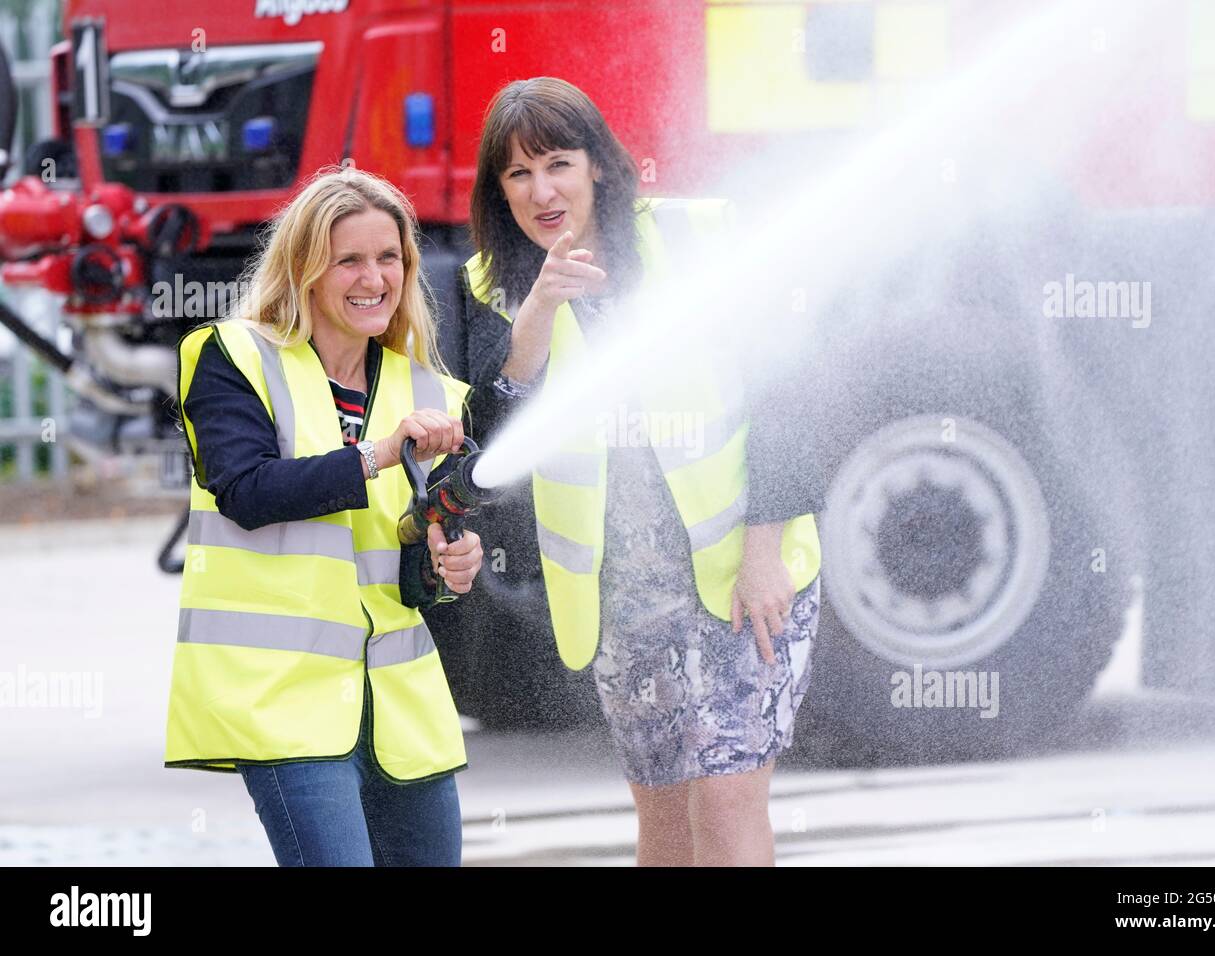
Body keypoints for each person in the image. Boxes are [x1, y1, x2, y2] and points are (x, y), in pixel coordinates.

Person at [455, 77, 823, 866]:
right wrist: (539, 314)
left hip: (737, 578)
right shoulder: (492, 289)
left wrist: (763, 552)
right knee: (661, 819)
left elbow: (792, 389)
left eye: (557, 162)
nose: (541, 190)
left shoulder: (698, 237)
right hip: (623, 598)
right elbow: (490, 438)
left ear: (598, 165)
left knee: (725, 801)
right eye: (517, 174)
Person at [163, 167, 484, 867]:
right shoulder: (233, 357)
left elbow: (405, 565)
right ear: (304, 268)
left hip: (399, 709)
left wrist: (449, 563)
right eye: (349, 260)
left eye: (389, 257)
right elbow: (247, 491)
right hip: (283, 707)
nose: (375, 277)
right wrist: (376, 454)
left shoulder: (426, 387)